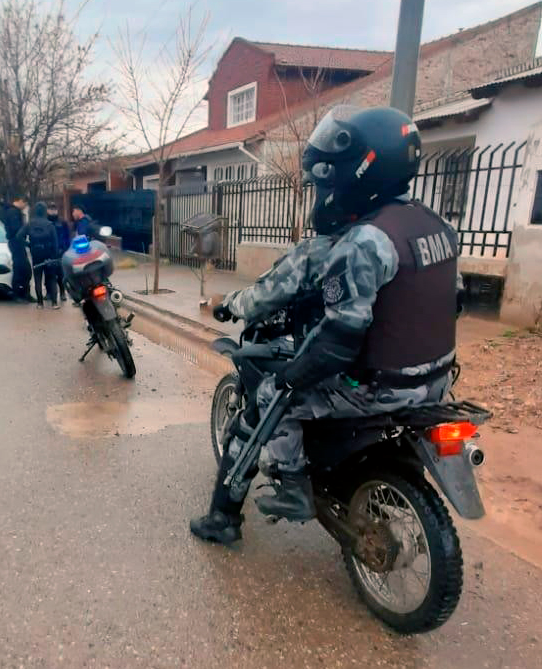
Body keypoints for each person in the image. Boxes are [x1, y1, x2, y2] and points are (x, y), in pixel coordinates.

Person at [190, 106, 460, 545]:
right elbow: (455, 301)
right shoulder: (435, 226)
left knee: (272, 394)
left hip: (378, 385)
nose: (325, 187)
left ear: (360, 172)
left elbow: (337, 341)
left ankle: (270, 497)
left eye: (330, 176)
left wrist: (290, 380)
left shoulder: (362, 243)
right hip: (436, 380)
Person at [17, 202, 62, 309]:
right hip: (49, 253)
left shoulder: (30, 224)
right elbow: (55, 242)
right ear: (45, 211)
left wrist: (28, 245)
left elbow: (19, 236)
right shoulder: (50, 225)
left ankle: (40, 303)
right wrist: (55, 256)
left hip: (36, 253)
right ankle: (54, 303)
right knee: (51, 278)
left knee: (37, 278)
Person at [0, 195, 34, 302]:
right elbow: (16, 230)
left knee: (25, 269)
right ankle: (18, 293)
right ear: (20, 201)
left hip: (18, 242)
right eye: (25, 204)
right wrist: (25, 236)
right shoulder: (13, 212)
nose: (25, 207)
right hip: (16, 242)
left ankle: (24, 292)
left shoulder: (13, 211)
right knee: (21, 269)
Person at [47, 204, 71, 297]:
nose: (53, 211)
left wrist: (65, 248)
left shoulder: (62, 222)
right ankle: (49, 293)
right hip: (49, 250)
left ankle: (62, 292)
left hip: (60, 251)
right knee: (48, 273)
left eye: (54, 209)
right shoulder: (46, 221)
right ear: (47, 210)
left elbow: (67, 236)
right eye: (51, 209)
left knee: (60, 273)